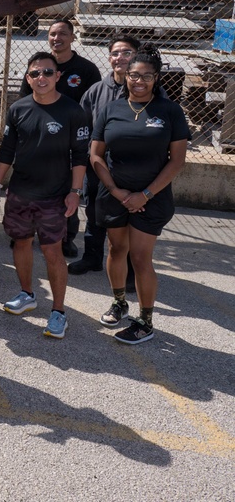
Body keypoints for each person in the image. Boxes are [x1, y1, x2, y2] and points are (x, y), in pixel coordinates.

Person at [90, 50, 189, 344]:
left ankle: (145, 321)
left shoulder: (170, 111)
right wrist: (119, 192)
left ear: (156, 78)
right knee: (116, 249)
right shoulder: (112, 109)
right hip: (114, 194)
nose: (140, 81)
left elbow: (177, 160)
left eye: (147, 76)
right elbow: (96, 154)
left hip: (153, 197)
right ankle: (119, 302)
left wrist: (145, 194)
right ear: (126, 77)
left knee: (141, 257)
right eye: (134, 75)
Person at [0, 52, 89, 340]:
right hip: (20, 193)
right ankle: (27, 294)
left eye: (47, 72)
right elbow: (7, 149)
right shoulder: (18, 108)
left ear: (58, 76)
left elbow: (80, 156)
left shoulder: (73, 111)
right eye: (35, 74)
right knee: (20, 243)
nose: (41, 78)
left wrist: (75, 192)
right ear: (27, 78)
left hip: (55, 197)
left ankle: (58, 312)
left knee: (52, 251)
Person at [17, 20, 101, 258]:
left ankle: (65, 238)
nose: (57, 38)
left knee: (68, 191)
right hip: (38, 140)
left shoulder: (86, 69)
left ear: (73, 37)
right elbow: (24, 102)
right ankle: (25, 235)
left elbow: (94, 107)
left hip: (70, 144)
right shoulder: (36, 66)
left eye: (63, 33)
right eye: (52, 34)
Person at [70, 35, 142, 285]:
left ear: (137, 56)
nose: (120, 58)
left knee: (130, 215)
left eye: (127, 52)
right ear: (109, 58)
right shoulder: (96, 91)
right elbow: (82, 127)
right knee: (94, 210)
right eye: (115, 53)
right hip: (98, 164)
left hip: (132, 167)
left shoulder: (148, 89)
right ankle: (92, 257)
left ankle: (131, 270)